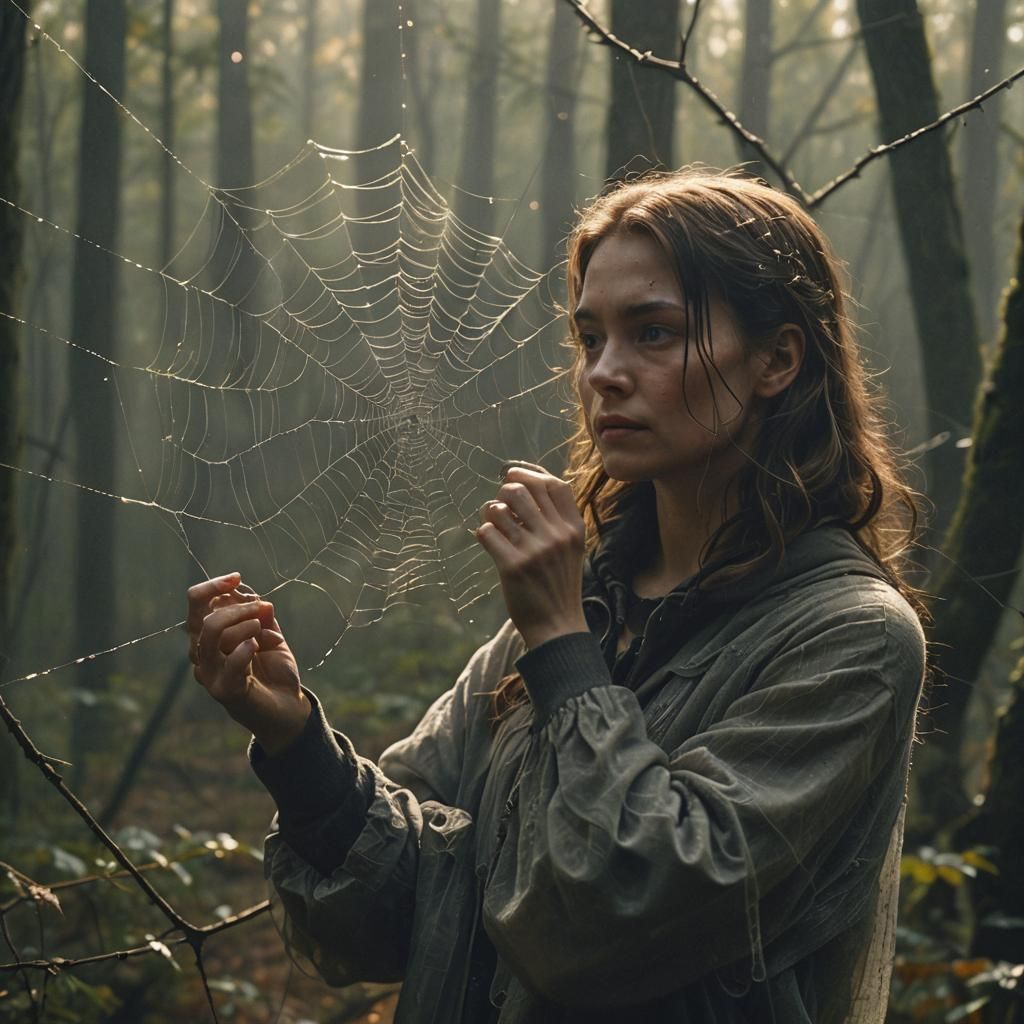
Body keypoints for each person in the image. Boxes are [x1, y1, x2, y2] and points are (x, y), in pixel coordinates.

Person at [187, 168, 926, 1023]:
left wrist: (565, 649)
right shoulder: (580, 606)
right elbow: (406, 913)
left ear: (777, 360)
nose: (604, 373)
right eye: (590, 338)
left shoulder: (851, 639)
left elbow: (613, 914)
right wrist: (297, 744)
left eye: (654, 333)